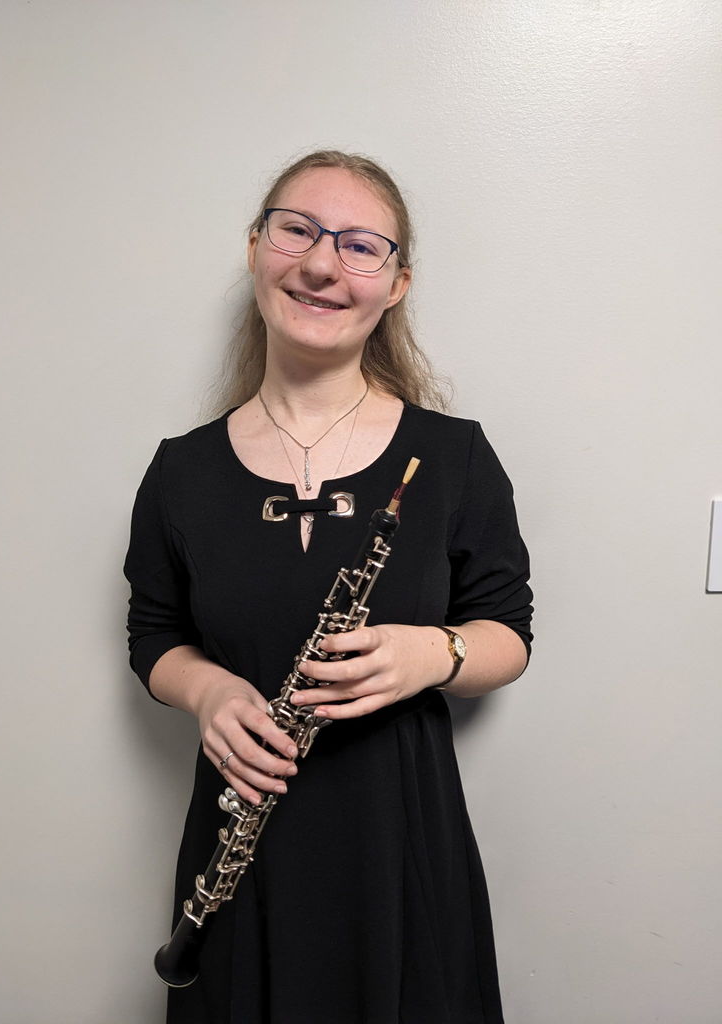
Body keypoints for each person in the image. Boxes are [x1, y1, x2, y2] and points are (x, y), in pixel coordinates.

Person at [125, 150, 532, 1024]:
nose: (319, 264)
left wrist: (436, 651)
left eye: (359, 246)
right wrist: (208, 690)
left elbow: (509, 632)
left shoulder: (453, 457)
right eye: (297, 230)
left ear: (397, 284)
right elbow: (153, 635)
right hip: (244, 837)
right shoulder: (180, 472)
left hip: (400, 839)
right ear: (255, 249)